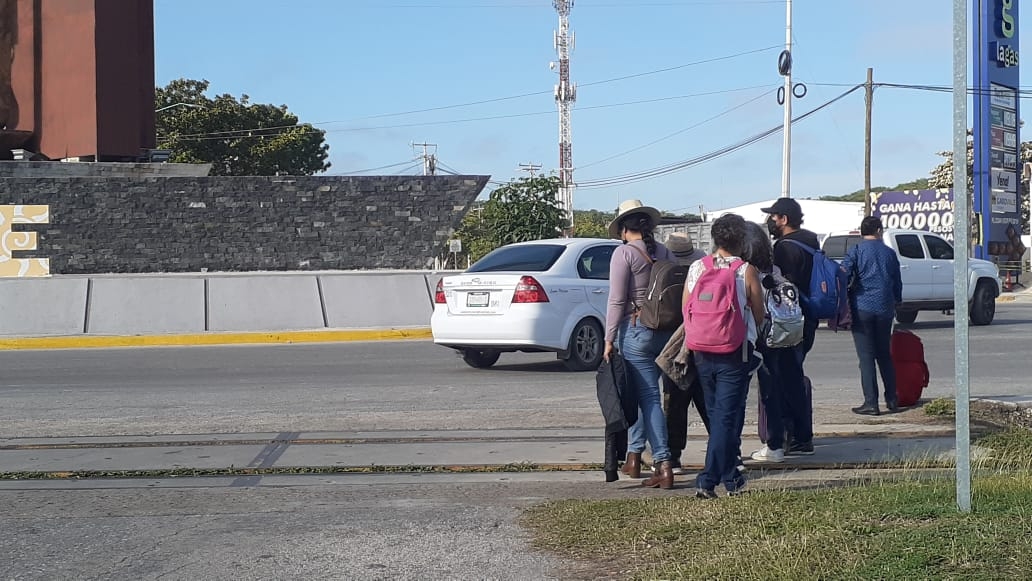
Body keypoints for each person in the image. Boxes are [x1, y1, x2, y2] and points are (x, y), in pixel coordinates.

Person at [683, 214, 765, 498]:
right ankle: (707, 480)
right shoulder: (745, 271)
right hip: (735, 351)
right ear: (742, 240)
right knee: (726, 418)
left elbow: (686, 309)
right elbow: (759, 311)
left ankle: (732, 479)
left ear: (715, 239)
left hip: (702, 350)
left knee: (720, 414)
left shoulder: (697, 268)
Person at [603, 199, 677, 489]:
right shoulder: (665, 251)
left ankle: (663, 461)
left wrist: (609, 338)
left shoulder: (624, 254)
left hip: (635, 330)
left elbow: (617, 300)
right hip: (665, 330)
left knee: (646, 398)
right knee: (648, 396)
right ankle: (634, 456)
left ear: (623, 230)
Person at [760, 197, 819, 456]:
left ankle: (795, 435)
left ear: (783, 219)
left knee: (784, 379)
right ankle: (799, 434)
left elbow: (784, 289)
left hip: (790, 322)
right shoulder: (811, 242)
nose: (770, 221)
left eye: (773, 217)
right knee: (792, 375)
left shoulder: (785, 248)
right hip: (809, 318)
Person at [841, 216, 903, 416]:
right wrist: (897, 300)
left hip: (862, 308)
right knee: (884, 355)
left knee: (866, 357)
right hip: (885, 308)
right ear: (878, 230)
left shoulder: (856, 251)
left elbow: (844, 274)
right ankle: (892, 399)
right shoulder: (889, 253)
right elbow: (897, 281)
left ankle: (871, 403)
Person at [659, 232, 708, 475]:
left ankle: (674, 455)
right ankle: (726, 449)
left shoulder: (663, 269)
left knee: (675, 401)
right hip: (702, 337)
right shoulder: (703, 269)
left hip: (673, 339)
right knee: (708, 399)